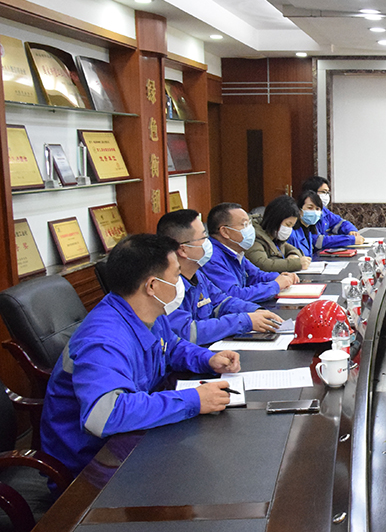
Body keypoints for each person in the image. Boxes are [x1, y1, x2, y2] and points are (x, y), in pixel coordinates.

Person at [40, 234, 240, 477]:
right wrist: (192, 400)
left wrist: (206, 359)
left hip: (135, 439)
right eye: (176, 275)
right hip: (94, 466)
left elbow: (171, 346)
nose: (180, 283)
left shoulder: (147, 312)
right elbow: (104, 415)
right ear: (152, 286)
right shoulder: (103, 339)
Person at [157, 209, 283, 345]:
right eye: (203, 238)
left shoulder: (197, 275)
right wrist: (244, 321)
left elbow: (221, 301)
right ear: (183, 249)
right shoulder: (166, 286)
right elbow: (188, 332)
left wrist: (255, 311)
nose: (209, 243)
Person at [203, 202, 297, 303]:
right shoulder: (211, 258)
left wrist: (279, 277)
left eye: (250, 223)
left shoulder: (235, 252)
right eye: (245, 224)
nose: (250, 229)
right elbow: (233, 295)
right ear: (225, 232)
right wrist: (275, 285)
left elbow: (256, 275)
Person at [246, 195, 312, 273]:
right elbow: (263, 264)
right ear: (276, 219)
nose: (289, 229)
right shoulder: (254, 236)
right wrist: (295, 264)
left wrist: (294, 255)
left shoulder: (274, 236)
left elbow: (291, 248)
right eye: (287, 224)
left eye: (292, 226)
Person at [300, 176, 365, 248]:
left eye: (328, 192)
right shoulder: (306, 216)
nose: (326, 195)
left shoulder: (323, 211)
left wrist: (351, 231)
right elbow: (318, 241)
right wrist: (350, 240)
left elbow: (339, 222)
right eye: (324, 192)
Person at [286, 190, 326, 257]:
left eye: (317, 209)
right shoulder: (292, 233)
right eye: (310, 208)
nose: (314, 212)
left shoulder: (310, 230)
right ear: (299, 209)